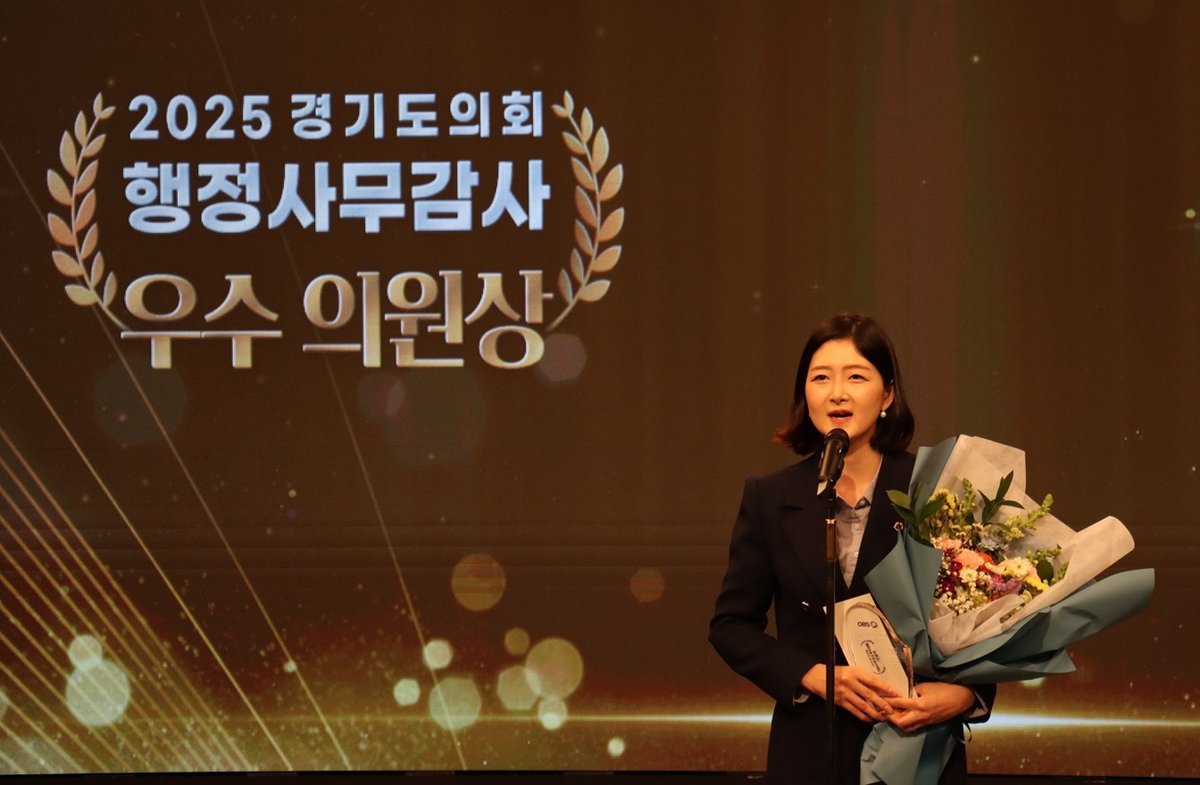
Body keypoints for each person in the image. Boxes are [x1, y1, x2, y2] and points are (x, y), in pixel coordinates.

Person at [709, 313, 993, 785]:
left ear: (887, 395)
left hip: (916, 745)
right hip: (810, 752)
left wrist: (966, 694)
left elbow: (985, 614)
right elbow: (730, 626)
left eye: (856, 377)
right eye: (821, 378)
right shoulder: (770, 497)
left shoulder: (934, 488)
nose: (837, 393)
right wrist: (812, 674)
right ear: (805, 394)